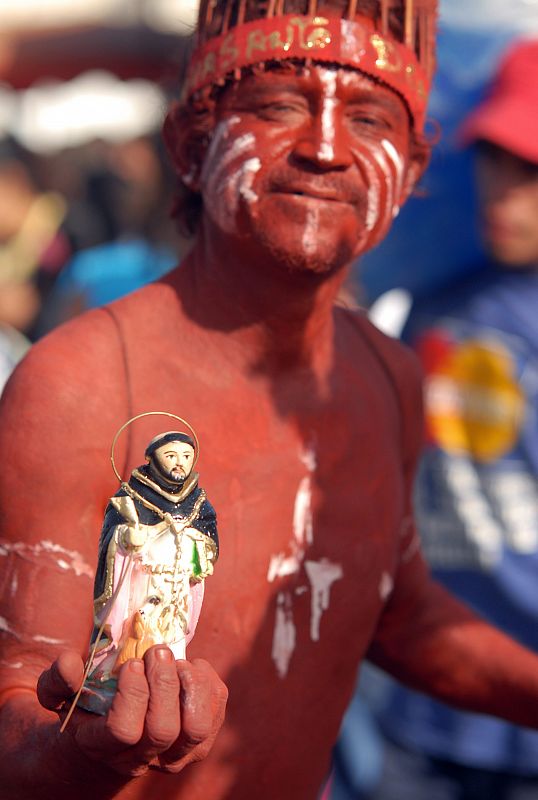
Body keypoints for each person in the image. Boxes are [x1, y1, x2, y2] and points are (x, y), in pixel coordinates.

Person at [2, 3, 538, 799]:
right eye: (279, 105)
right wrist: (92, 750)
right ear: (191, 145)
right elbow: (15, 707)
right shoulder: (81, 382)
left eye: (370, 116)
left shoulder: (388, 378)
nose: (325, 148)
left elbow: (398, 613)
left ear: (413, 172)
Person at [369, 38, 538, 800]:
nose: (507, 193)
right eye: (498, 162)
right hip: (428, 709)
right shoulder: (431, 309)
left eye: (533, 172)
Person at [81, 430, 219, 715]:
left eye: (186, 456)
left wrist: (198, 546)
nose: (180, 463)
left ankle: (169, 681)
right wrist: (126, 539)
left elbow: (209, 543)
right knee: (133, 631)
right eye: (171, 456)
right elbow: (112, 536)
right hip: (141, 581)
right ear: (153, 459)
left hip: (176, 584)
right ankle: (114, 677)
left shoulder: (199, 504)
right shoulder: (130, 498)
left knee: (172, 637)